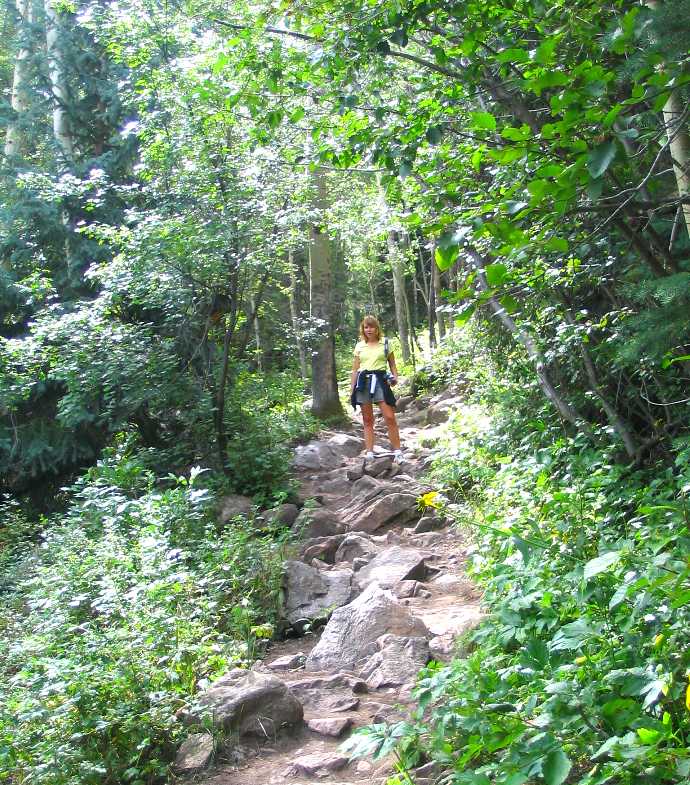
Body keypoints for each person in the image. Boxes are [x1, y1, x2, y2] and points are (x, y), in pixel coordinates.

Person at [350, 315, 404, 464]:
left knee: (389, 416)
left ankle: (398, 451)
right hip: (363, 382)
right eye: (366, 327)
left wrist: (395, 377)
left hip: (380, 380)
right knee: (367, 419)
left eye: (371, 326)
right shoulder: (359, 346)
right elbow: (355, 369)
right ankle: (369, 452)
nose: (369, 330)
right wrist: (352, 389)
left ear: (377, 328)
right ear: (363, 329)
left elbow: (392, 364)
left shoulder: (386, 343)